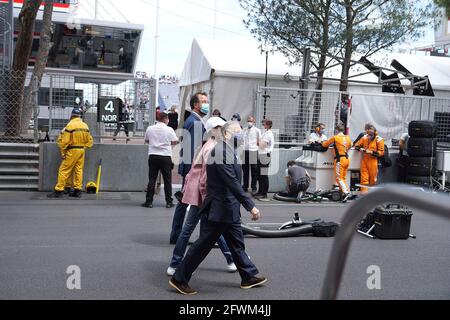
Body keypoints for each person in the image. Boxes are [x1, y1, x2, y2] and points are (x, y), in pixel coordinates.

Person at [169, 122, 267, 295]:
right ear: (227, 134)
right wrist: (250, 206)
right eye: (237, 132)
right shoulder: (220, 152)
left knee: (236, 243)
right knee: (203, 245)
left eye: (241, 131)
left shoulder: (228, 151)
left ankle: (248, 275)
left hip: (228, 208)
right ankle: (179, 278)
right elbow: (232, 182)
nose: (241, 134)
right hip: (220, 208)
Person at [167, 117, 237, 277]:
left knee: (209, 229)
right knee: (211, 229)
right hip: (203, 196)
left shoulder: (205, 145)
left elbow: (194, 173)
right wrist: (208, 198)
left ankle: (175, 263)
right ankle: (230, 259)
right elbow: (206, 177)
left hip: (198, 194)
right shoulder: (212, 148)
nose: (224, 131)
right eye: (221, 128)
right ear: (213, 130)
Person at [170, 92, 209, 244]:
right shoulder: (196, 122)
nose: (206, 103)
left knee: (185, 202)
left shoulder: (192, 120)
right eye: (203, 101)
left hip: (189, 168)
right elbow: (193, 150)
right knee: (191, 203)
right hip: (193, 170)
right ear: (195, 105)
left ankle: (177, 235)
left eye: (207, 101)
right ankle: (185, 236)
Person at [47, 108, 94, 198]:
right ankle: (77, 190)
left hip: (72, 150)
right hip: (81, 150)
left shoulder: (70, 126)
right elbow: (90, 141)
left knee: (63, 170)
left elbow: (65, 142)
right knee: (78, 170)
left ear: (72, 115)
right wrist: (84, 147)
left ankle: (59, 190)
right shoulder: (85, 126)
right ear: (80, 116)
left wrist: (63, 151)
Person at [142, 112, 179, 209]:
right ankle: (168, 202)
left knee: (152, 179)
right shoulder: (169, 129)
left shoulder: (150, 128)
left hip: (153, 155)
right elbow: (175, 141)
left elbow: (146, 140)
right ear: (166, 119)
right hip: (165, 156)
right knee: (167, 180)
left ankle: (149, 201)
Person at [322, 123, 352, 202]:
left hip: (339, 160)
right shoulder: (347, 138)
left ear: (336, 130)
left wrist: (323, 141)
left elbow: (325, 145)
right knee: (343, 178)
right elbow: (350, 146)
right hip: (346, 159)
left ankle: (346, 193)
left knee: (339, 178)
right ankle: (345, 191)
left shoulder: (335, 138)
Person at [354, 124, 385, 194]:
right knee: (364, 179)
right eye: (368, 134)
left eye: (371, 134)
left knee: (373, 180)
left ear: (374, 133)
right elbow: (356, 145)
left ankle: (371, 195)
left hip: (373, 161)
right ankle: (363, 195)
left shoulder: (379, 140)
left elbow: (381, 152)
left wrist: (371, 152)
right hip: (364, 160)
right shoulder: (364, 137)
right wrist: (360, 149)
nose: (369, 136)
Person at [254, 119, 274, 200]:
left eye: (264, 124)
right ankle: (260, 191)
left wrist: (258, 142)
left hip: (265, 155)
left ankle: (264, 193)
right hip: (261, 155)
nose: (263, 125)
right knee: (259, 175)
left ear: (268, 125)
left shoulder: (269, 134)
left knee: (263, 175)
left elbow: (261, 145)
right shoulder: (265, 132)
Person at [242, 116, 261, 194]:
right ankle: (245, 187)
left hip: (253, 151)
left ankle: (254, 187)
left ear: (254, 121)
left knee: (254, 171)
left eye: (251, 121)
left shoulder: (257, 131)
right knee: (245, 170)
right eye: (248, 121)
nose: (249, 122)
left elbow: (259, 141)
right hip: (245, 151)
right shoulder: (244, 130)